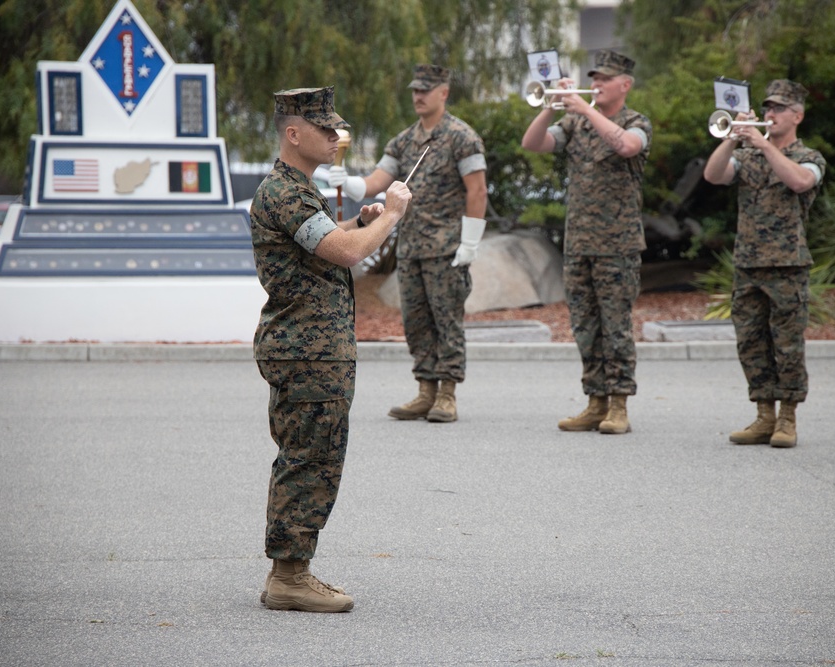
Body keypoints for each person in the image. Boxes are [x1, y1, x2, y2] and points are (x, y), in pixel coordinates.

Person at [250, 86, 412, 612]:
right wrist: (390, 217)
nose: (336, 137)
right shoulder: (286, 192)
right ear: (293, 134)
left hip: (312, 346)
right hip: (307, 349)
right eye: (325, 129)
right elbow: (343, 255)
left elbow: (325, 241)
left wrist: (361, 222)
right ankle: (290, 576)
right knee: (310, 459)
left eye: (336, 128)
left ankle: (291, 569)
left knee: (309, 455)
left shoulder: (296, 189)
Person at [327, 64, 488, 423]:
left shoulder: (463, 137)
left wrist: (470, 242)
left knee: (446, 320)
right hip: (412, 248)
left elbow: (477, 190)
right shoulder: (403, 140)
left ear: (443, 93)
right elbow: (377, 182)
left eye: (425, 90)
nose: (418, 96)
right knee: (415, 321)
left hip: (447, 248)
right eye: (415, 90)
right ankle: (425, 390)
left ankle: (447, 393)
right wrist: (351, 183)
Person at [520, 48, 652, 435]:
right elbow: (533, 143)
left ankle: (619, 405)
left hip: (618, 245)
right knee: (584, 326)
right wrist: (552, 105)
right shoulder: (574, 124)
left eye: (604, 79)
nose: (595, 84)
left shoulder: (636, 121)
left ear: (624, 85)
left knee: (616, 327)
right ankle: (595, 401)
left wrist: (584, 108)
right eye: (593, 77)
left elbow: (626, 145)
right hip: (578, 243)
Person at [703, 79, 826, 448]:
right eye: (767, 108)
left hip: (788, 264)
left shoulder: (810, 157)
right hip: (748, 263)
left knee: (787, 345)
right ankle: (764, 415)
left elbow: (801, 182)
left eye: (779, 108)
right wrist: (733, 137)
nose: (770, 114)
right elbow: (713, 175)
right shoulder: (747, 155)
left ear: (798, 115)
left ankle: (787, 418)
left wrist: (763, 144)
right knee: (751, 342)